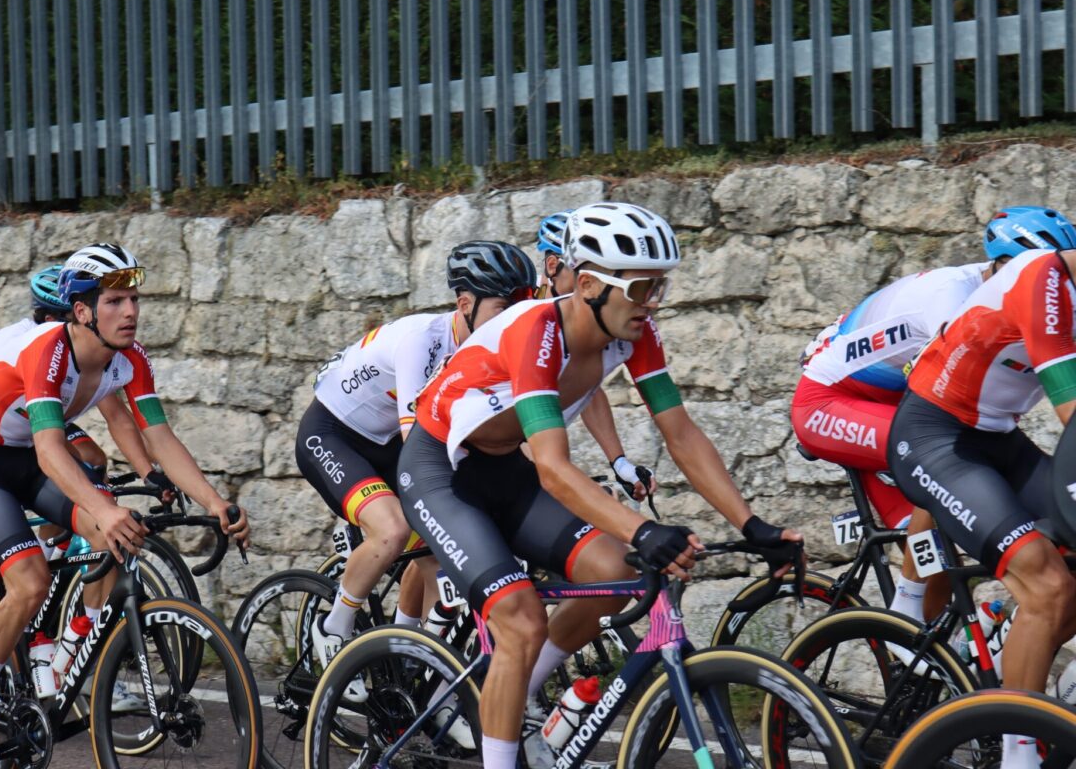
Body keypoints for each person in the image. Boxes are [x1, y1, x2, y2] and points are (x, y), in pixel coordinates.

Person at [398, 202, 799, 768]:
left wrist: (752, 524)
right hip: (441, 472)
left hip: (503, 469)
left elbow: (680, 433)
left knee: (616, 575)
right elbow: (555, 470)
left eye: (659, 287)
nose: (653, 303)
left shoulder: (636, 332)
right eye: (641, 288)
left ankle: (505, 690)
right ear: (588, 284)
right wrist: (644, 529)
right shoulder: (535, 331)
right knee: (519, 618)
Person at [0, 243, 251, 769]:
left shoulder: (130, 358)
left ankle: (63, 660)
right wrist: (102, 508)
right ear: (81, 311)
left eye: (134, 299)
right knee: (31, 580)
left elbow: (159, 435)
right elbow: (49, 449)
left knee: (113, 534)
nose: (131, 311)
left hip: (24, 452)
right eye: (115, 301)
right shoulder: (48, 351)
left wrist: (216, 501)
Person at [299, 240, 537, 716]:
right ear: (464, 304)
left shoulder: (493, 347)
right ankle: (333, 631)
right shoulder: (422, 341)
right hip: (334, 434)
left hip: (386, 444)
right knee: (394, 529)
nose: (517, 318)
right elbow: (421, 447)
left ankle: (410, 664)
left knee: (435, 560)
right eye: (504, 307)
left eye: (524, 306)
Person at [0, 266, 172, 712]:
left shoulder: (89, 350)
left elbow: (116, 415)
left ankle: (61, 622)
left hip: (25, 427)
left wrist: (149, 473)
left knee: (91, 465)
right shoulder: (40, 344)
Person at [887, 207, 1076, 769]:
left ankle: (1027, 680)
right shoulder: (1043, 276)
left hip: (996, 441)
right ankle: (1019, 750)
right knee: (1046, 583)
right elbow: (1070, 406)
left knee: (1061, 587)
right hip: (934, 438)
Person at [791, 219, 1011, 623]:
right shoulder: (952, 298)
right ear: (1000, 266)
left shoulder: (996, 292)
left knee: (938, 553)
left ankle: (920, 655)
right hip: (826, 403)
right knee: (944, 455)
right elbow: (956, 397)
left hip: (886, 407)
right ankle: (904, 607)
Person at [534, 210, 657, 503]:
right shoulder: (525, 310)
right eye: (582, 270)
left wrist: (620, 463)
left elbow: (588, 391)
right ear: (553, 265)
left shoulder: (594, 316)